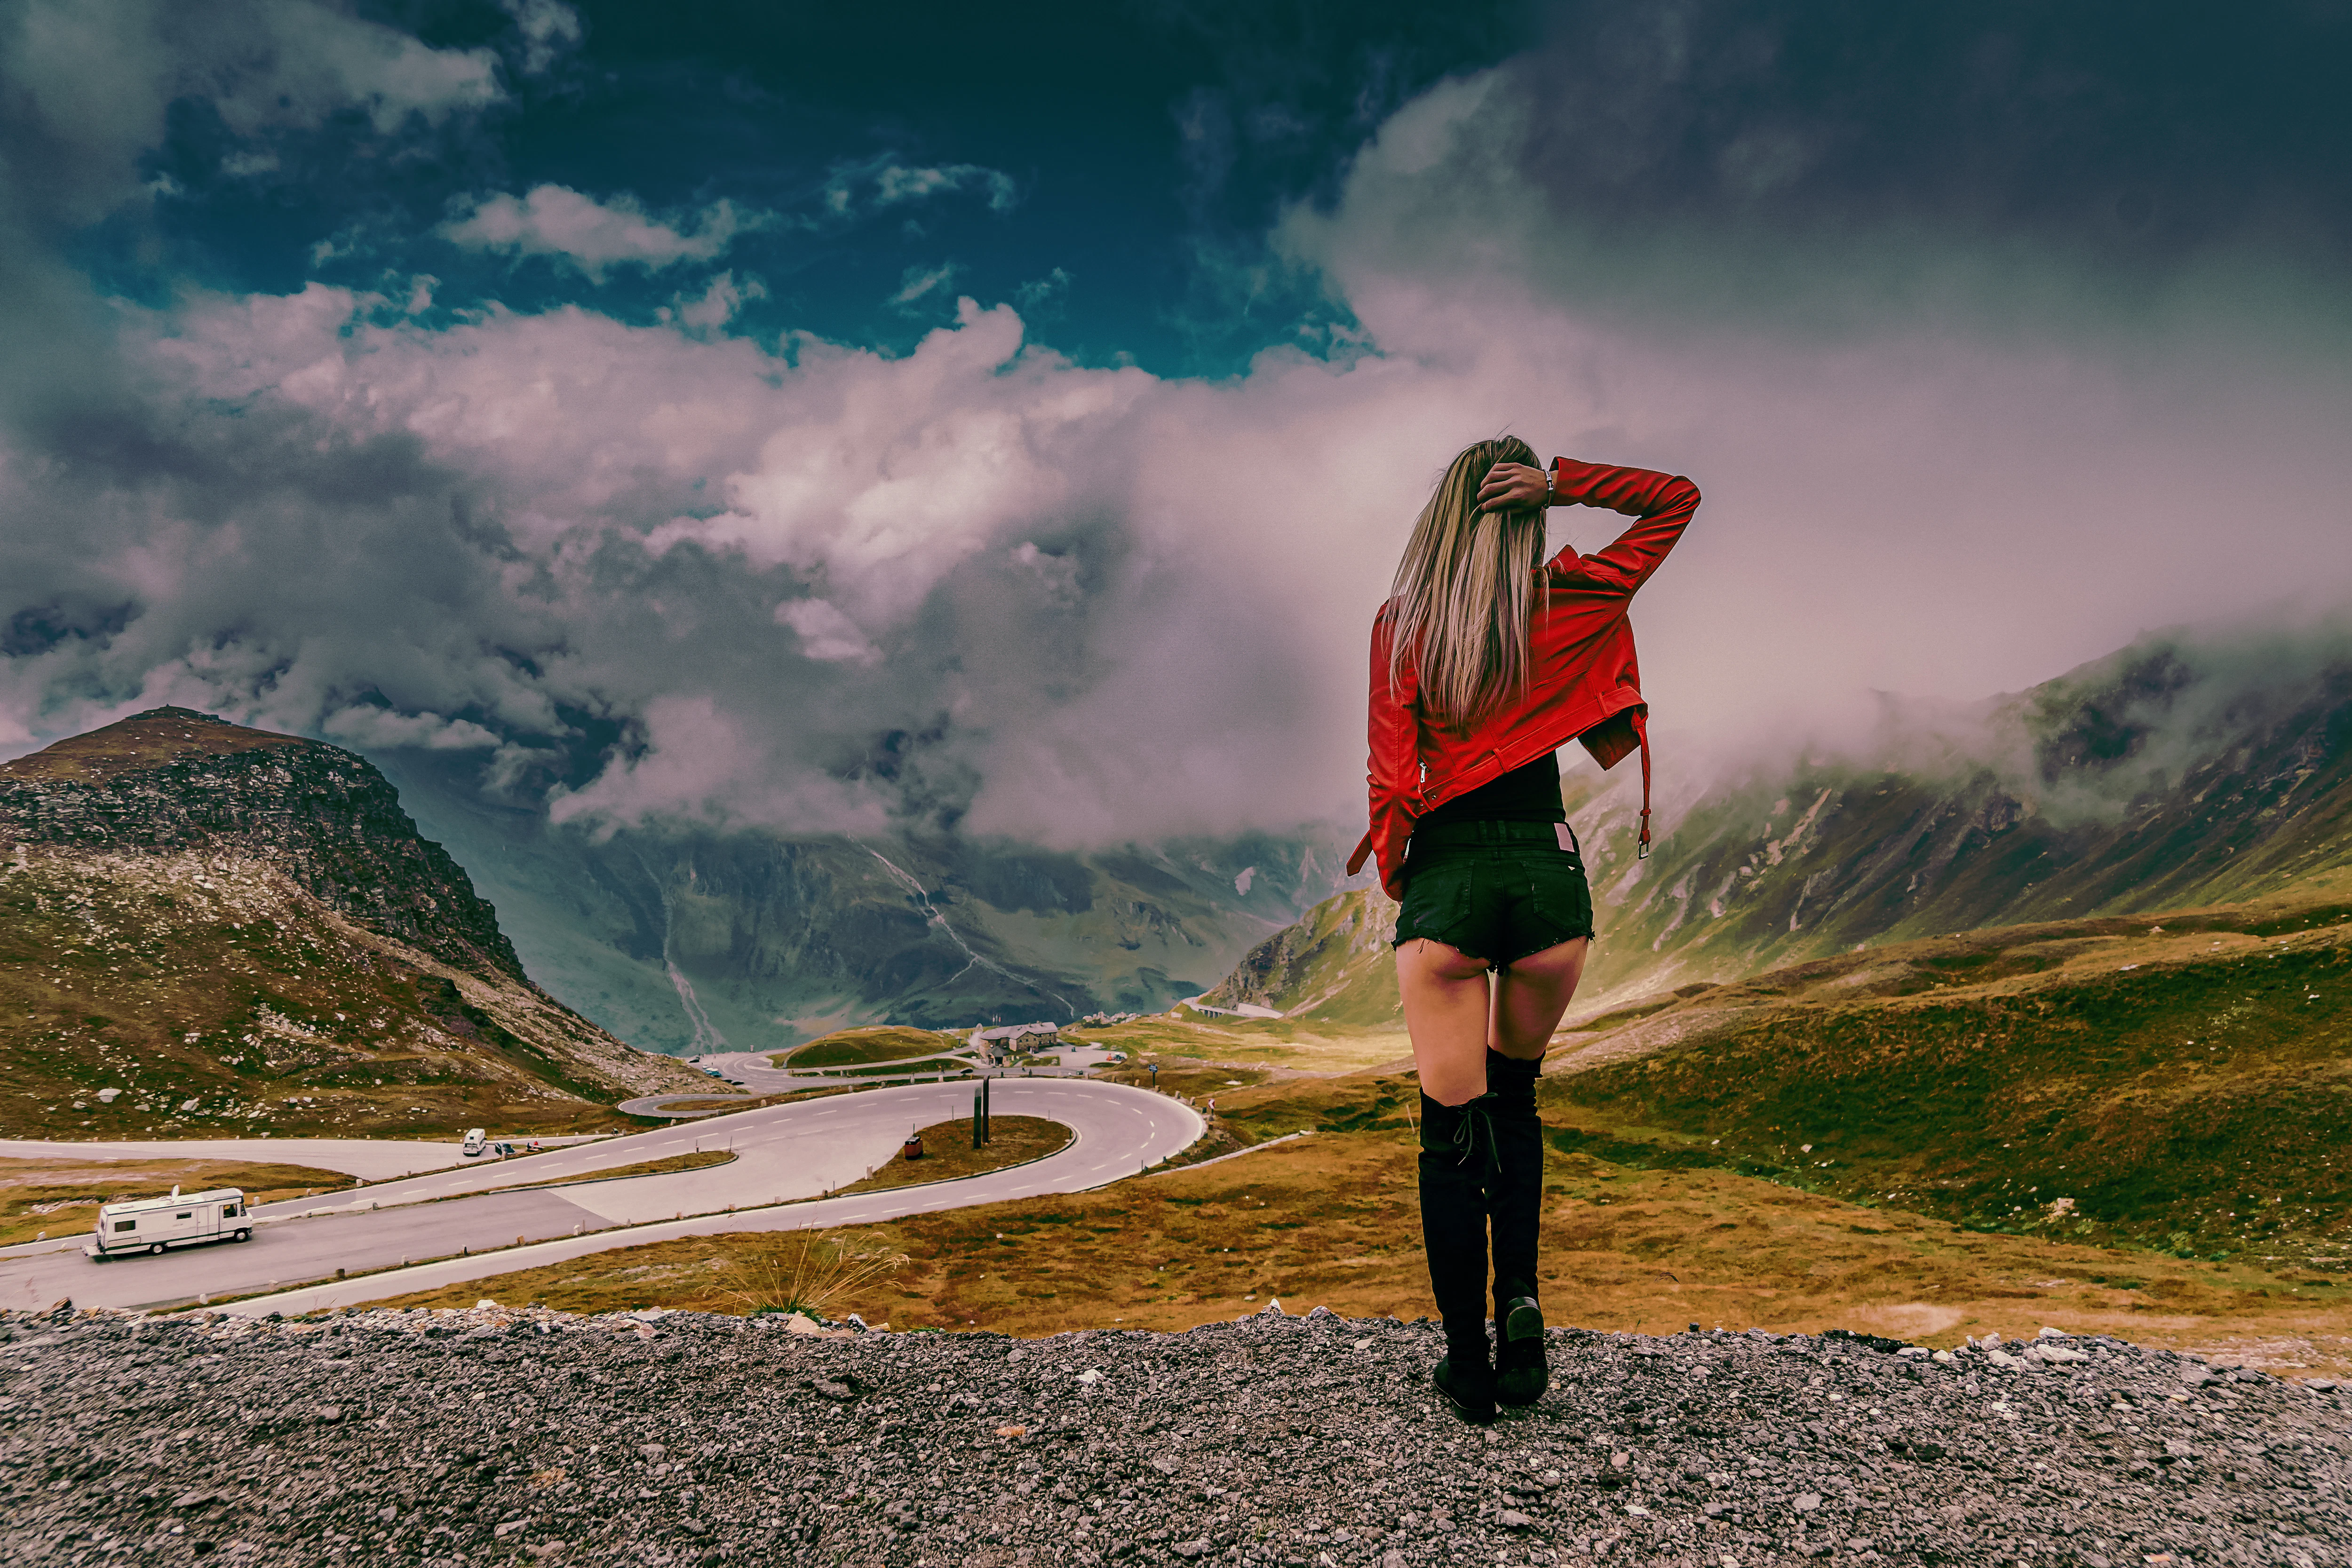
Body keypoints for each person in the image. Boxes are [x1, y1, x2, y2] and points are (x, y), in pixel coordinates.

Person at [1346, 436, 1700, 1423]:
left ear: (1445, 516)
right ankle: (1522, 1308)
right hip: (1549, 878)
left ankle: (1468, 1362)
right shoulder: (1576, 596)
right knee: (1517, 1104)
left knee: (1449, 1135)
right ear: (1528, 516)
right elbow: (1676, 499)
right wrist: (1570, 483)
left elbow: (1390, 779)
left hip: (1452, 881)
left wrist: (1404, 883)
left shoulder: (1402, 624)